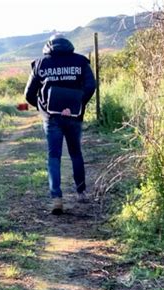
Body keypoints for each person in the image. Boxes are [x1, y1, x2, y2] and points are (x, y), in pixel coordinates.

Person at [24, 34, 96, 215]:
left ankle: (56, 198)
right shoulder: (80, 62)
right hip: (74, 116)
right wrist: (78, 104)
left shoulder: (40, 64)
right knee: (75, 153)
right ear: (69, 45)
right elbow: (91, 86)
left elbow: (29, 94)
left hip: (51, 118)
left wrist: (43, 109)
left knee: (53, 156)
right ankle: (81, 192)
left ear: (48, 47)